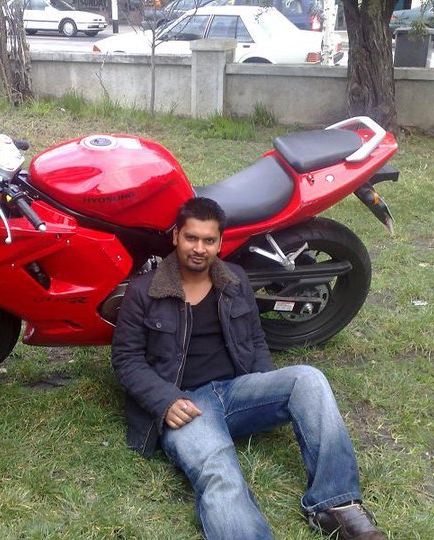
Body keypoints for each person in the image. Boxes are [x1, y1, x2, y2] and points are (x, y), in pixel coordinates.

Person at [111, 197, 386, 540]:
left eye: (209, 240)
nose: (199, 249)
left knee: (309, 378)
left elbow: (255, 340)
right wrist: (164, 401)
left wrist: (264, 387)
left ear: (220, 243)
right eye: (191, 238)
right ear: (176, 237)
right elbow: (126, 359)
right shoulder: (145, 291)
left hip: (237, 392)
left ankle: (336, 506)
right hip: (186, 404)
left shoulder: (235, 280)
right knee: (219, 471)